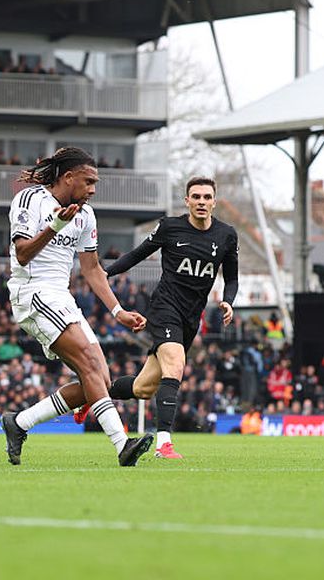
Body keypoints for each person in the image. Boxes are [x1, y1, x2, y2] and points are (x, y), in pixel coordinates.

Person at [0, 147, 153, 466]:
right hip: (32, 291)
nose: (93, 189)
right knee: (89, 363)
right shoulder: (30, 201)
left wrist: (117, 311)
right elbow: (23, 254)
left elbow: (92, 269)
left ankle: (19, 423)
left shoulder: (85, 214)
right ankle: (122, 445)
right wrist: (53, 227)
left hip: (60, 296)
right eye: (88, 181)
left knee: (100, 380)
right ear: (68, 178)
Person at [102, 176, 239, 459]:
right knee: (175, 365)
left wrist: (228, 302)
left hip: (191, 317)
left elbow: (232, 278)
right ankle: (164, 444)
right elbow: (137, 255)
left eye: (206, 197)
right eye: (196, 197)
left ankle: (92, 395)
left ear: (214, 201)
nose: (201, 202)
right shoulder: (170, 227)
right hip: (165, 308)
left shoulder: (227, 235)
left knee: (143, 388)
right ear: (186, 200)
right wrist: (104, 274)